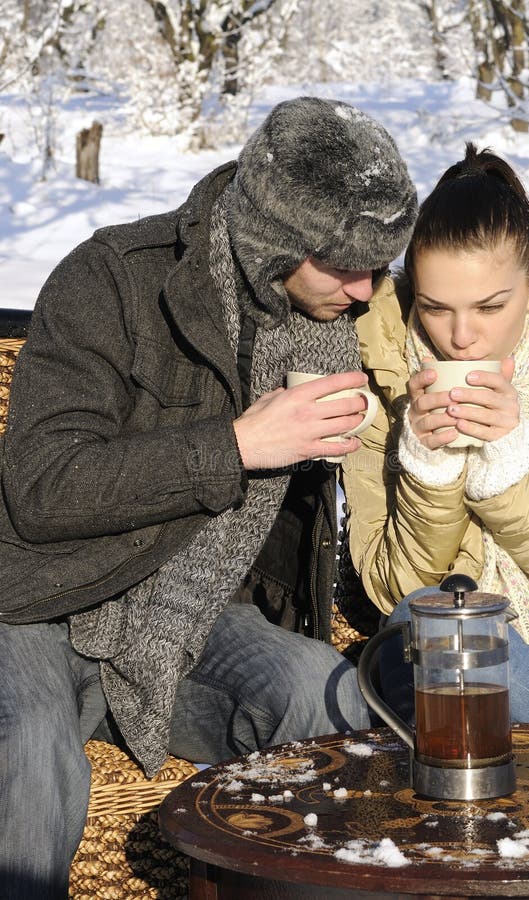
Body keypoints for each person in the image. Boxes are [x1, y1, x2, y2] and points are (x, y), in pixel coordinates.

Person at [0, 96, 418, 898]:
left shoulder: (342, 319)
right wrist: (237, 445)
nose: (367, 291)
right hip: (36, 602)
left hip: (187, 613)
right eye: (346, 265)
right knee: (28, 743)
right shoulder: (112, 277)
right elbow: (42, 487)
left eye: (382, 265)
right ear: (274, 244)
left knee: (319, 696)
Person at [343, 141, 529, 728]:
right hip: (454, 666)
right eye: (435, 308)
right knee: (423, 629)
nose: (460, 338)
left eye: (489, 307)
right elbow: (392, 591)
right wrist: (427, 471)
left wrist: (512, 463)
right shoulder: (379, 379)